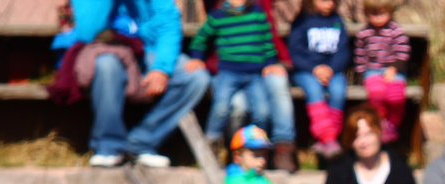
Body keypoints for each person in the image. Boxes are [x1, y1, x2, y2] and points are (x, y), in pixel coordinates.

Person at [70, 0, 211, 167]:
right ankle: (108, 146)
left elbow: (169, 24)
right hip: (109, 50)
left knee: (195, 79)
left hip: (149, 51)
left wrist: (162, 68)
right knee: (106, 66)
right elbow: (89, 31)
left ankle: (141, 142)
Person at [188, 0, 289, 162]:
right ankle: (211, 145)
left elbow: (267, 40)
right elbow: (201, 38)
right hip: (228, 73)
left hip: (255, 74)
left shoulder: (257, 13)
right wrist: (196, 58)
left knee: (262, 111)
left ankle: (259, 148)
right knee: (221, 107)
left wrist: (270, 63)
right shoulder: (218, 15)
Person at [288, 0, 352, 157]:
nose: (329, 4)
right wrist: (314, 68)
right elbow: (295, 52)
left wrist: (331, 69)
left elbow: (343, 50)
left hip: (333, 71)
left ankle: (328, 137)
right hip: (307, 71)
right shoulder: (302, 20)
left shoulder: (337, 21)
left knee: (338, 91)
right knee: (314, 91)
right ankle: (327, 138)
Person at [355, 0, 410, 144]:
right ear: (367, 14)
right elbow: (360, 57)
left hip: (394, 69)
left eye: (382, 13)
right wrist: (361, 75)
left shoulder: (395, 31)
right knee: (376, 94)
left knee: (396, 96)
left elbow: (403, 52)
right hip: (372, 70)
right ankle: (379, 122)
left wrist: (394, 68)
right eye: (374, 14)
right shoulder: (364, 33)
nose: (378, 18)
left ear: (390, 12)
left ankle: (392, 124)